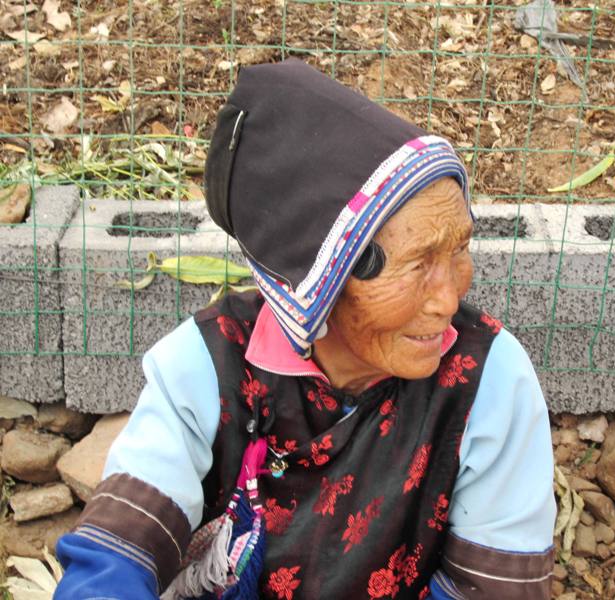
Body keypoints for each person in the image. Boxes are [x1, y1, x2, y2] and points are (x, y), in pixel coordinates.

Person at [53, 59, 556, 600]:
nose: (449, 298)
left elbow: (490, 591)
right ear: (320, 278)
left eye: (459, 249)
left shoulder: (488, 378)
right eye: (418, 263)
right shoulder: (206, 366)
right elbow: (115, 559)